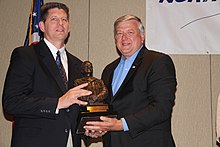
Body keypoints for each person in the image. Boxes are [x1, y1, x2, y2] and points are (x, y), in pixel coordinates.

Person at [2, 2, 92, 147]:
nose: (60, 23)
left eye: (64, 19)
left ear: (69, 27)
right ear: (42, 26)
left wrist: (89, 129)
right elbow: (12, 103)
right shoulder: (26, 55)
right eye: (54, 19)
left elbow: (77, 109)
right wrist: (57, 103)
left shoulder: (78, 65)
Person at [84, 14, 177, 147]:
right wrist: (98, 128)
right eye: (119, 33)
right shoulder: (109, 70)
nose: (124, 38)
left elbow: (162, 108)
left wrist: (121, 124)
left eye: (130, 32)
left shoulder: (158, 62)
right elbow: (108, 109)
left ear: (142, 36)